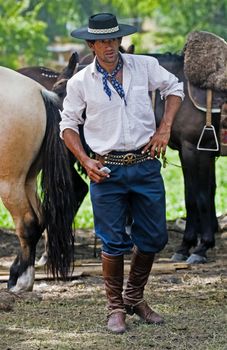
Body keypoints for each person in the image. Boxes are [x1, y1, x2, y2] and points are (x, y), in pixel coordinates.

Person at [60, 13, 184, 334]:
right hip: (106, 169)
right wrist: (86, 162)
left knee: (155, 236)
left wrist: (164, 128)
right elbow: (68, 127)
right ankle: (116, 308)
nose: (109, 46)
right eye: (101, 40)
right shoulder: (80, 82)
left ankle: (134, 297)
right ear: (91, 44)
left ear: (119, 40)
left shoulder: (143, 66)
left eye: (113, 39)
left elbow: (175, 87)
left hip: (145, 164)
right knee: (112, 242)